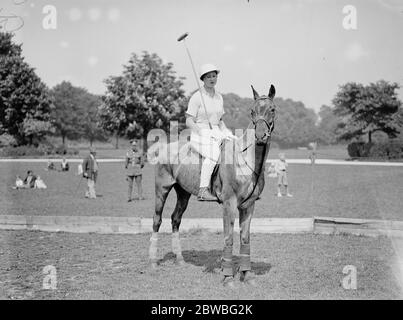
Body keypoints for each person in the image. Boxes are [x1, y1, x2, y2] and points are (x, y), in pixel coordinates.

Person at [186, 63, 235, 201]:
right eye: (208, 77)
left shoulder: (219, 97)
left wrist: (227, 132)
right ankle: (202, 191)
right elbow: (189, 121)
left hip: (216, 132)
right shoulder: (196, 97)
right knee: (214, 154)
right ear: (203, 79)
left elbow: (220, 120)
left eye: (214, 76)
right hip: (199, 134)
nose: (212, 79)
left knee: (234, 146)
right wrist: (202, 132)